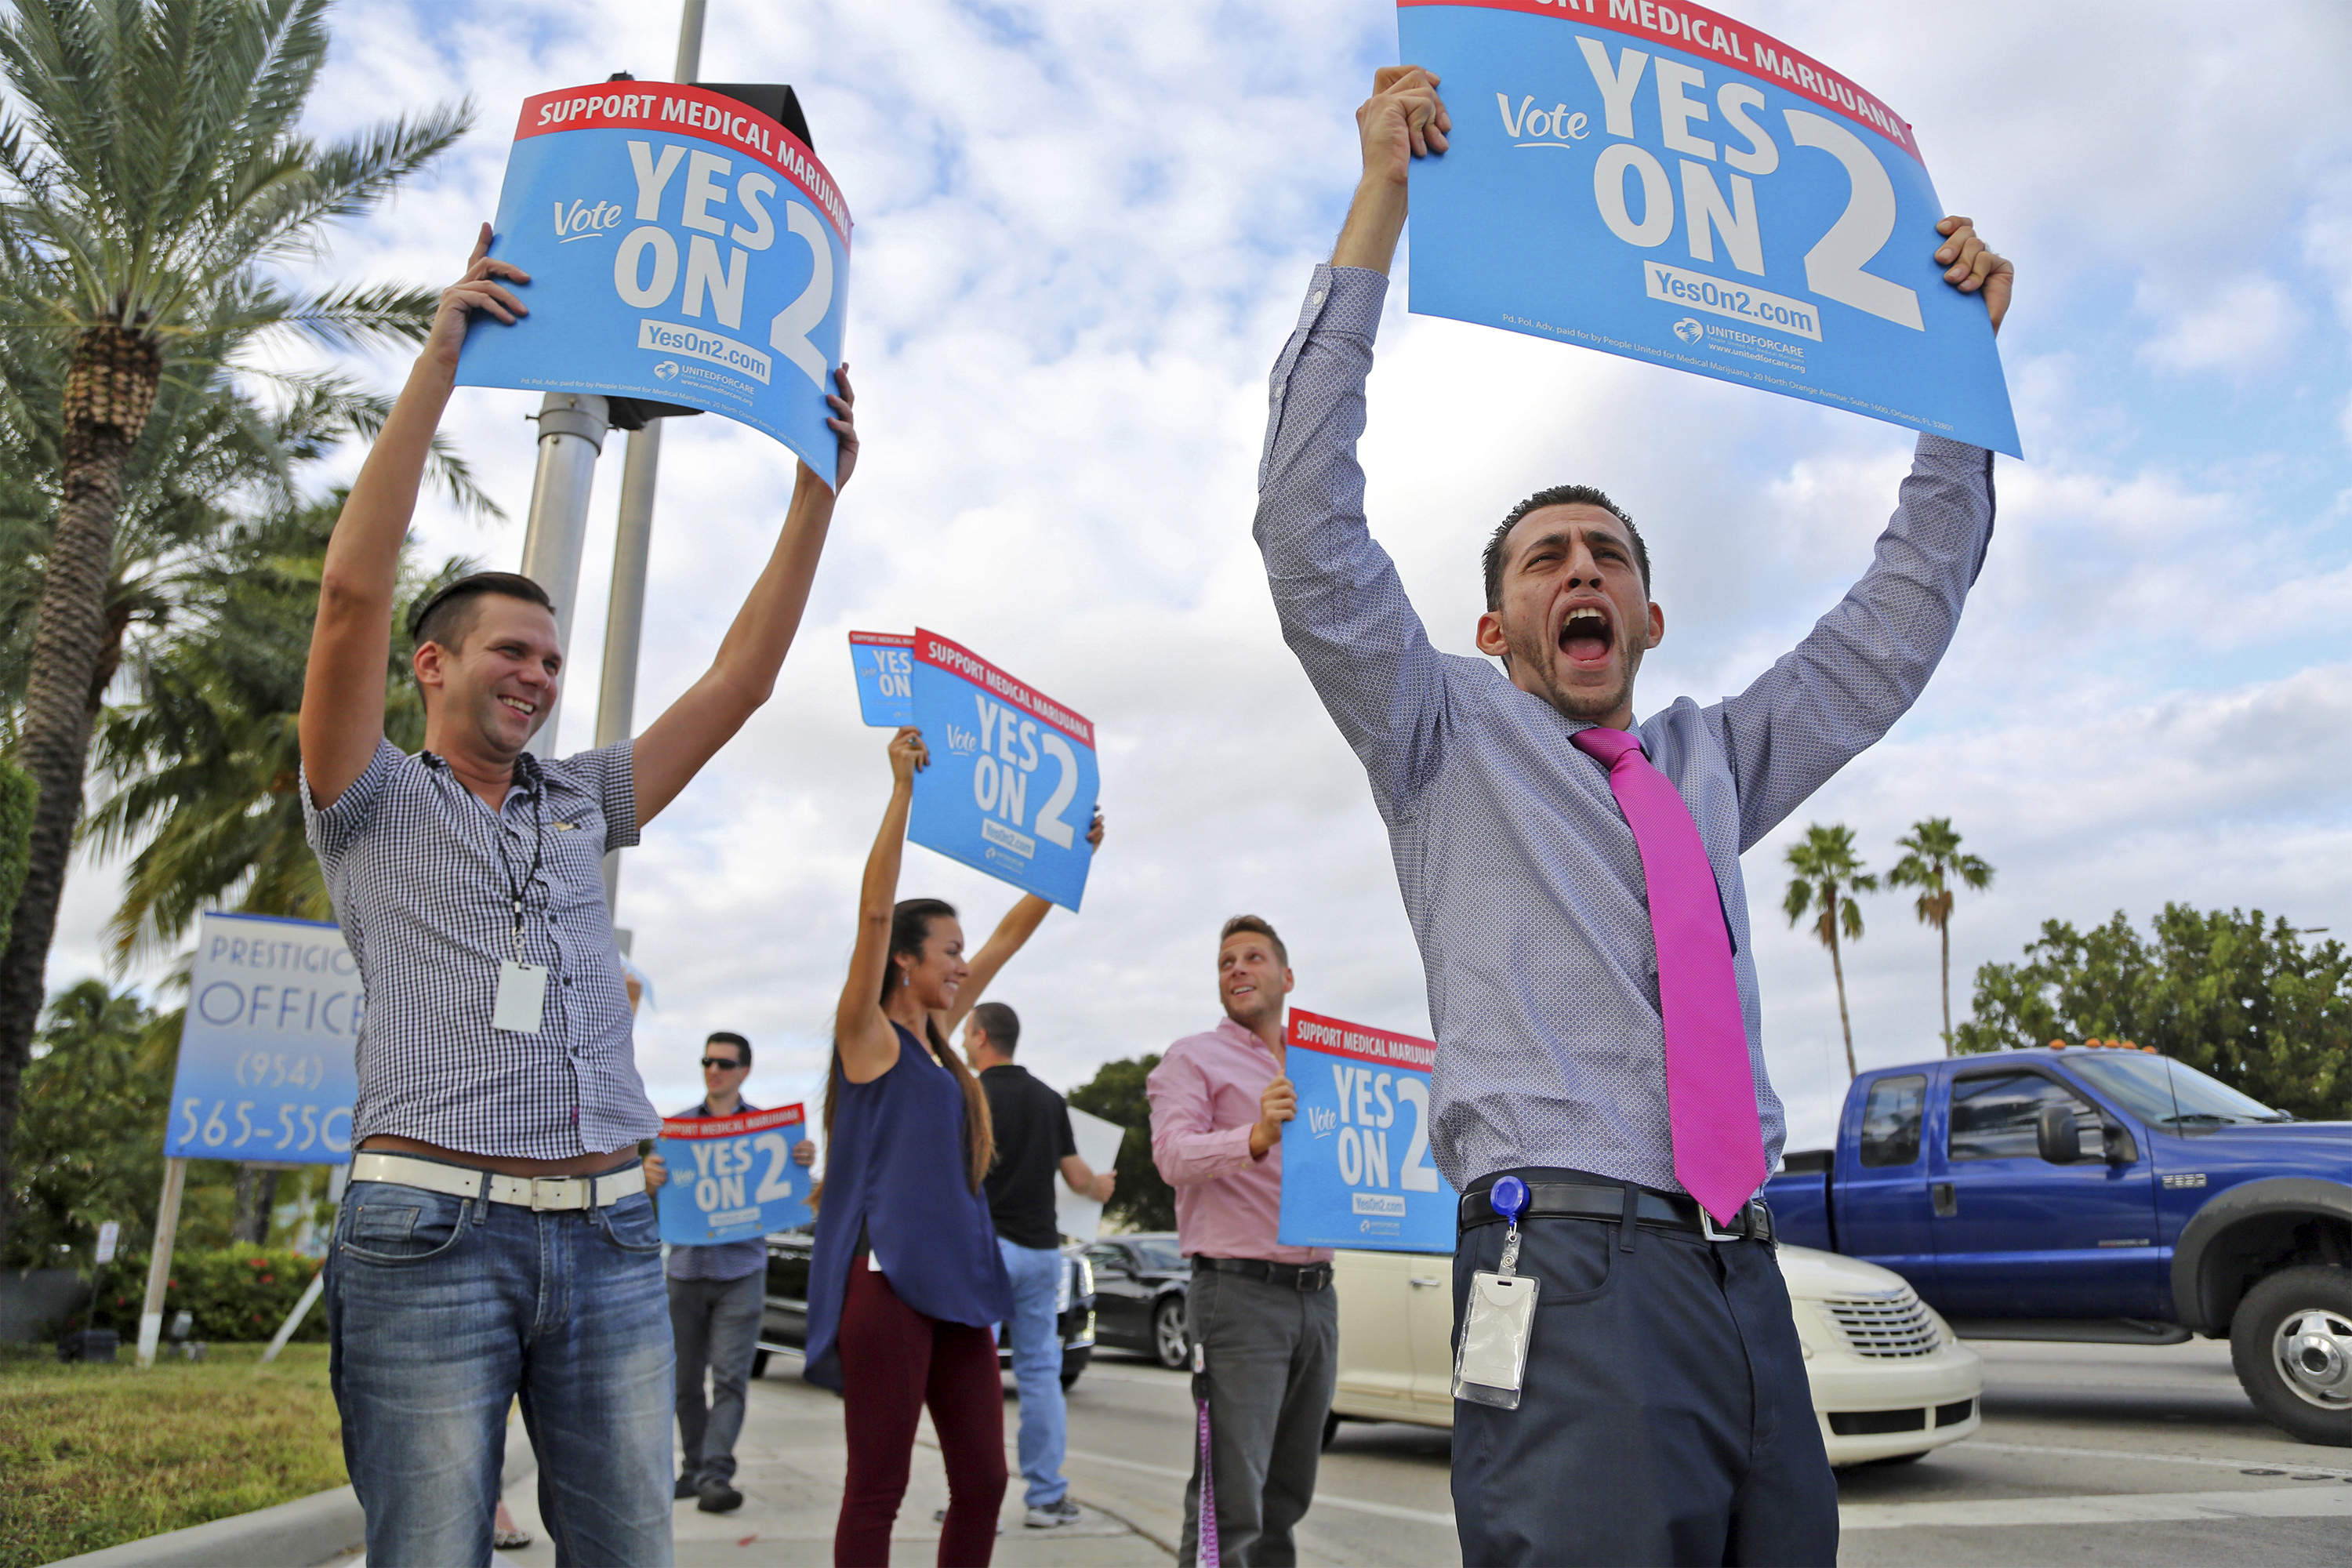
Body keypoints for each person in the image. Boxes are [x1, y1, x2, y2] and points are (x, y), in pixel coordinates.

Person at [1254, 67, 2015, 1566]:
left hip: (1744, 1279)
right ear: (1492, 624)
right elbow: (1304, 526)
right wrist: (1380, 208)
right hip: (1568, 1276)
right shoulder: (1437, 735)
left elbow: (1892, 627)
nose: (1579, 569)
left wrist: (1957, 389)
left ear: (1651, 614)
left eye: (1605, 552)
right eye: (1544, 556)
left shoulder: (1710, 759)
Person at [299, 225, 857, 1566]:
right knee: (432, 1548)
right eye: (511, 651)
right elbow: (347, 592)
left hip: (610, 1237)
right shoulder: (367, 797)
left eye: (552, 659)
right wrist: (440, 357)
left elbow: (738, 686)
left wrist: (817, 491)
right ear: (430, 666)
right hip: (429, 1228)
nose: (541, 677)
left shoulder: (583, 802)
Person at [806, 728, 1100, 1566]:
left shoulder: (940, 1039)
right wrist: (901, 789)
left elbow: (1009, 936)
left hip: (964, 1281)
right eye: (948, 951)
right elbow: (873, 909)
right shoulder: (868, 1037)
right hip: (888, 1280)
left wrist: (1065, 855)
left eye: (963, 953)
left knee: (983, 1480)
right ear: (905, 961)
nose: (965, 964)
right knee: (879, 1485)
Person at [1148, 916, 1335, 1568]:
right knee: (1232, 1502)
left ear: (1286, 978)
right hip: (1238, 1296)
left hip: (1317, 1298)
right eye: (1226, 961)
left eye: (1253, 957)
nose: (1236, 968)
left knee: (1287, 1498)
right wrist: (1252, 1137)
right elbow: (1171, 1156)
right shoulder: (1192, 1058)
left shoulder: (1323, 1065)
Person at [641, 1032, 818, 1514]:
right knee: (683, 1383)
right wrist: (649, 1182)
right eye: (707, 1061)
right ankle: (694, 1467)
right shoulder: (674, 1133)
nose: (713, 1070)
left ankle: (716, 1474)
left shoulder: (769, 1136)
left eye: (724, 1062)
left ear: (744, 1071)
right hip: (685, 1271)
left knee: (731, 1379)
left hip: (741, 1271)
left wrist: (802, 1166)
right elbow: (647, 1204)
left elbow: (798, 1206)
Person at [965, 1001, 1116, 1530]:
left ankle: (973, 1497)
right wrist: (1100, 1187)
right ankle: (1047, 1497)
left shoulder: (969, 1097)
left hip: (986, 1253)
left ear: (982, 1038)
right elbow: (1078, 1178)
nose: (964, 1043)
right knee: (1039, 1375)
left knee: (972, 1376)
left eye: (967, 1035)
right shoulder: (1049, 1099)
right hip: (1041, 1254)